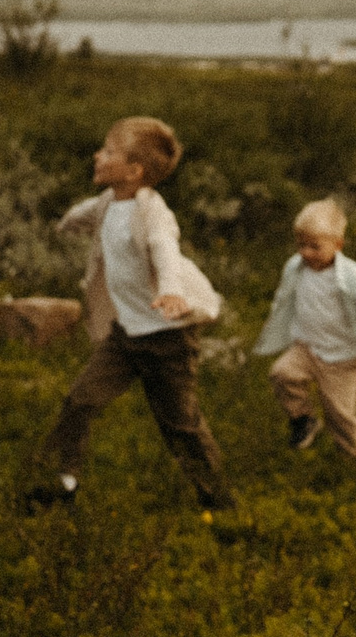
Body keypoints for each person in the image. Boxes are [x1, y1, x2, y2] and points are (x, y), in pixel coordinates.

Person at [30, 117, 230, 513]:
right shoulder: (108, 202)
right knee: (80, 400)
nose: (98, 155)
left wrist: (171, 288)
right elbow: (87, 214)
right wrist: (67, 222)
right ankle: (63, 481)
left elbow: (164, 250)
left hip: (168, 339)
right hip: (126, 336)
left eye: (108, 151)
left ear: (134, 171)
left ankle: (217, 499)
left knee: (180, 424)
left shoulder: (152, 213)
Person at [252, 198, 356, 460]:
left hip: (341, 357)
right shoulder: (295, 268)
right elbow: (284, 298)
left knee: (340, 413)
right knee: (282, 374)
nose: (306, 253)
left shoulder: (352, 275)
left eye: (315, 247)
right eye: (301, 245)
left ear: (338, 245)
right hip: (306, 347)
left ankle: (352, 457)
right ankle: (303, 419)